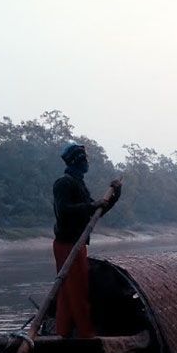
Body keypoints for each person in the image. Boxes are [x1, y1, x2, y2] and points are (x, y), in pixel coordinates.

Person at [52, 143, 121, 338]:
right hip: (67, 245)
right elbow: (64, 211)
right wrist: (91, 206)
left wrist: (115, 195)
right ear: (78, 162)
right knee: (77, 289)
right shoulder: (63, 183)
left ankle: (62, 331)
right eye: (86, 160)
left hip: (78, 243)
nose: (88, 163)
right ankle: (86, 333)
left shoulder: (79, 184)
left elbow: (96, 212)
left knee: (69, 290)